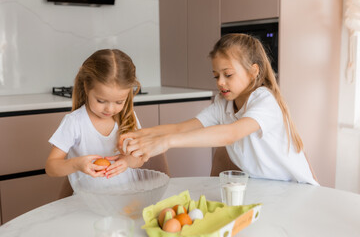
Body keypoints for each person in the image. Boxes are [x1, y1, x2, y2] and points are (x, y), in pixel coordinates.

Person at [119, 34, 319, 185]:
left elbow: (230, 134)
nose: (221, 82)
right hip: (267, 188)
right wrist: (138, 134)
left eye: (228, 74)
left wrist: (165, 142)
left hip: (295, 189)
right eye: (216, 76)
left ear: (253, 71)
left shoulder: (264, 99)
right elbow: (183, 128)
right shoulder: (223, 104)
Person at [45, 49, 144, 189]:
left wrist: (127, 161)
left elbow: (139, 160)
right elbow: (51, 167)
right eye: (101, 101)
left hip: (127, 200)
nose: (110, 109)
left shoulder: (128, 116)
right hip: (88, 203)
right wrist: (76, 164)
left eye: (119, 102)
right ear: (86, 87)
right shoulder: (75, 122)